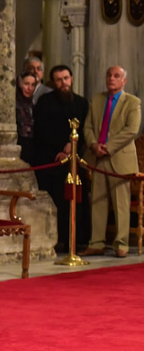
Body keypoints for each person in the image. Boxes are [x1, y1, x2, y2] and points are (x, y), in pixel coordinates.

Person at [81, 66, 142, 258]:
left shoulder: (132, 102)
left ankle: (121, 244)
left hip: (118, 157)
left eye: (116, 76)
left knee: (120, 203)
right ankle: (96, 242)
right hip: (98, 157)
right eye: (109, 75)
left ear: (124, 81)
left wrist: (108, 147)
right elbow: (88, 127)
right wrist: (93, 145)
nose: (111, 79)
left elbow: (131, 130)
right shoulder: (97, 100)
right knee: (97, 201)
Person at [34, 65, 91, 252]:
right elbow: (41, 131)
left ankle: (79, 239)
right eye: (59, 80)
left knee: (78, 199)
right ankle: (58, 239)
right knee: (57, 200)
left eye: (66, 78)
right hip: (53, 160)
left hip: (75, 159)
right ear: (53, 82)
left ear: (71, 79)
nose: (63, 83)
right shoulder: (44, 102)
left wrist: (72, 146)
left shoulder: (82, 103)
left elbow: (86, 130)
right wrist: (60, 148)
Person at [16, 71, 37, 165]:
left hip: (31, 147)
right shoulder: (14, 104)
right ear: (20, 84)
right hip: (17, 145)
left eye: (33, 85)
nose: (29, 88)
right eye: (26, 84)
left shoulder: (33, 104)